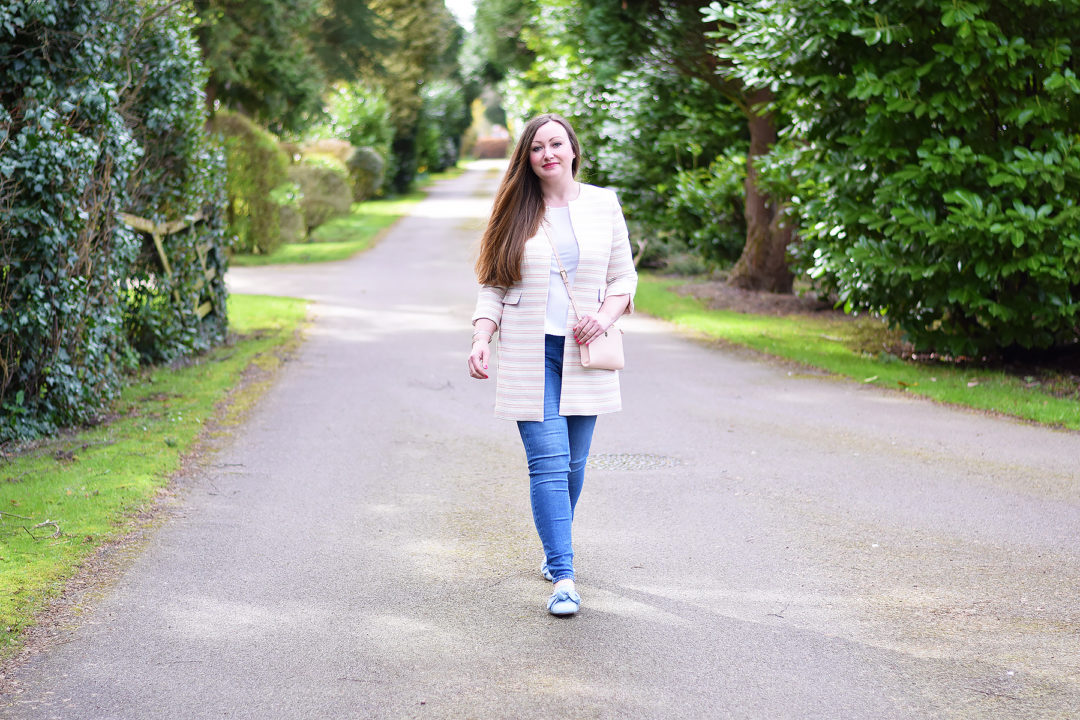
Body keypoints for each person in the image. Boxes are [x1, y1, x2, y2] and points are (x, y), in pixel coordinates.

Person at [467, 113, 638, 617]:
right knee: (547, 462)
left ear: (572, 150)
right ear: (528, 157)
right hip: (527, 352)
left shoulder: (604, 204)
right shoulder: (515, 210)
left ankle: (553, 547)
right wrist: (482, 336)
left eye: (556, 144)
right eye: (538, 147)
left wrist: (603, 317)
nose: (548, 154)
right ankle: (563, 575)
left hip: (584, 352)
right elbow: (493, 283)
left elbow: (623, 276)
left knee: (573, 464)